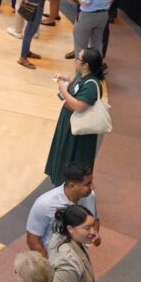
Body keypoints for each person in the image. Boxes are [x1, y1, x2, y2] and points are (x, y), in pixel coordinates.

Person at [44, 48, 105, 185]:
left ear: (86, 65)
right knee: (65, 153)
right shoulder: (81, 75)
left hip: (79, 128)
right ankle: (61, 183)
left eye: (79, 58)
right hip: (70, 122)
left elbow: (79, 106)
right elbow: (77, 88)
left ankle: (70, 188)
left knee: (72, 156)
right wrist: (67, 80)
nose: (76, 59)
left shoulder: (91, 85)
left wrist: (63, 91)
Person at [25, 161, 98, 256]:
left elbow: (95, 220)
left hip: (79, 258)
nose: (93, 187)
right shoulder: (44, 204)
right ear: (72, 186)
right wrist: (52, 266)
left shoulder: (90, 196)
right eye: (87, 184)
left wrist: (95, 234)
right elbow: (33, 242)